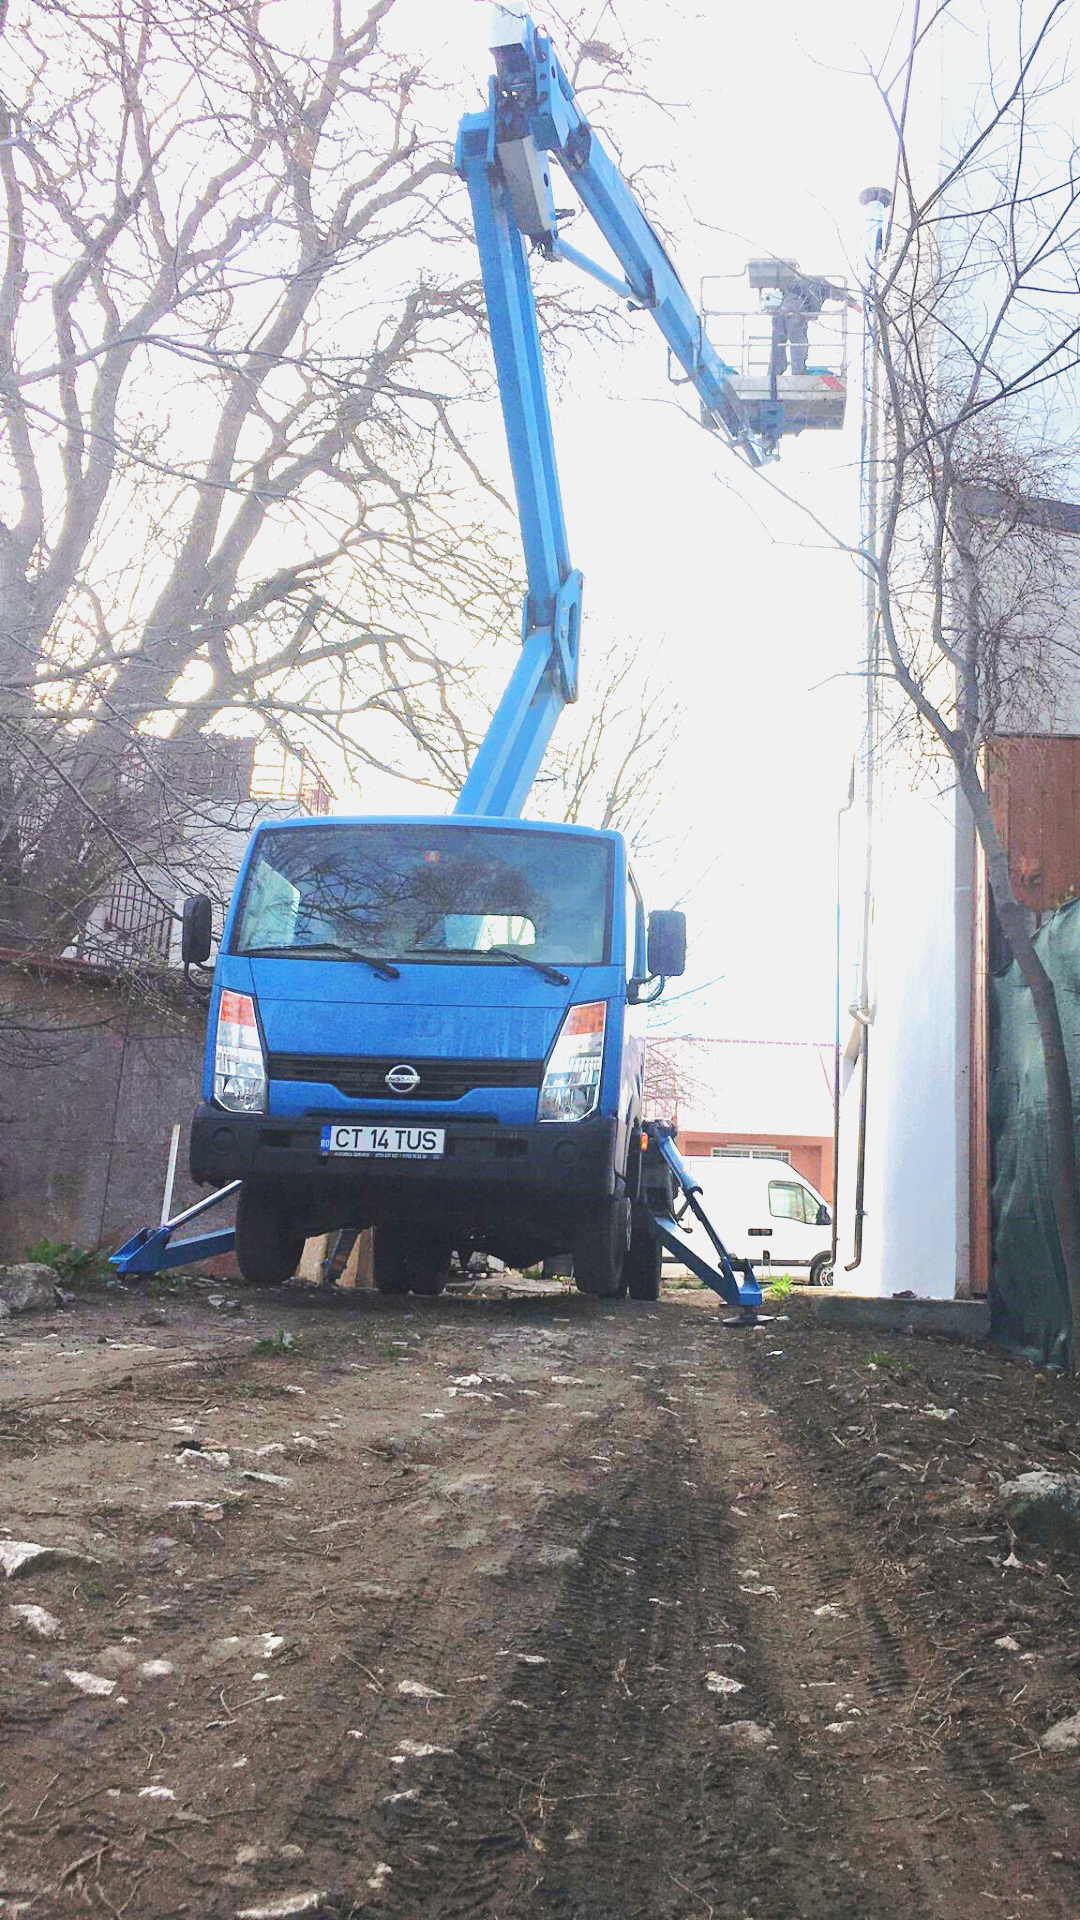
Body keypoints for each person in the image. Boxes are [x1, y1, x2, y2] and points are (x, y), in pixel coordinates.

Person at [764, 273, 853, 381]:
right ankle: (798, 374)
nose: (836, 300)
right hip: (796, 311)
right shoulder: (819, 283)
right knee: (798, 343)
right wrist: (855, 304)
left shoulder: (795, 280)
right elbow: (839, 293)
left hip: (780, 313)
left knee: (778, 345)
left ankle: (774, 373)